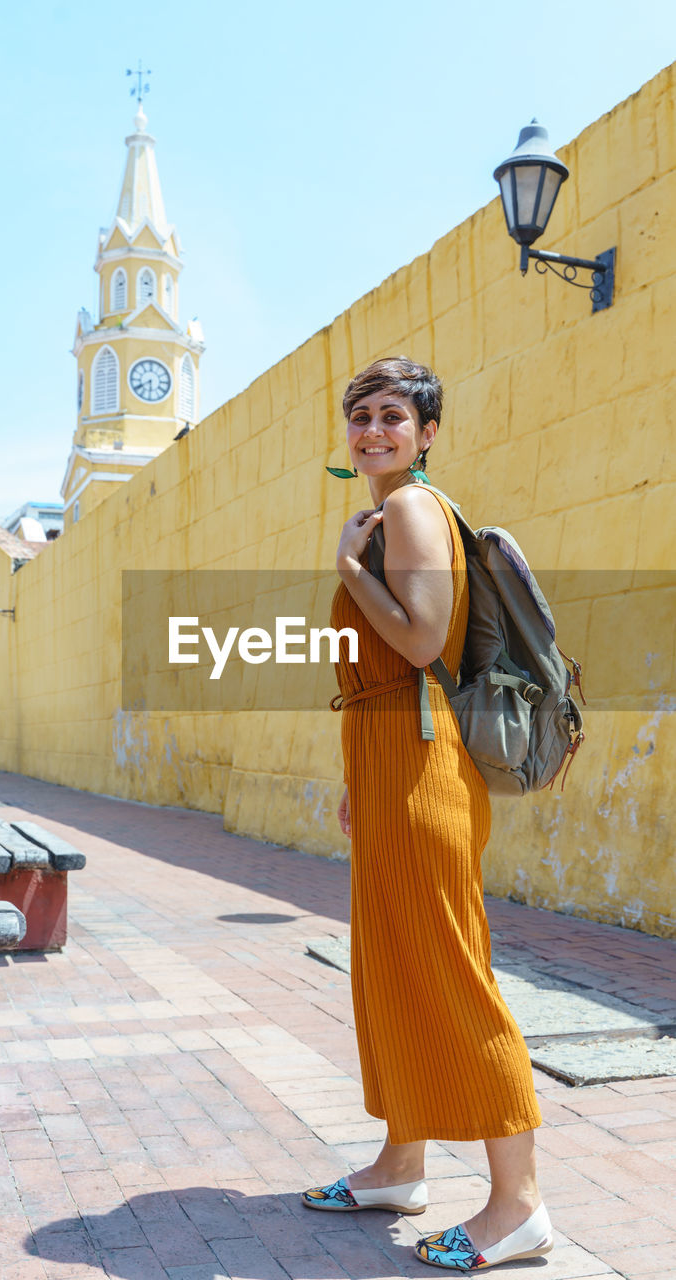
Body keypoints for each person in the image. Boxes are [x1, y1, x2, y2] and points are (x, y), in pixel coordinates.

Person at [301, 358, 551, 1272]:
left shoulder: (407, 509)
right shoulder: (390, 510)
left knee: (448, 972)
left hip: (416, 760)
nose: (372, 430)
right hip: (389, 757)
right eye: (360, 415)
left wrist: (342, 566)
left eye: (392, 416)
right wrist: (354, 777)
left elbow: (415, 639)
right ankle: (399, 1163)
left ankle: (517, 1205)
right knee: (391, 968)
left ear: (426, 432)